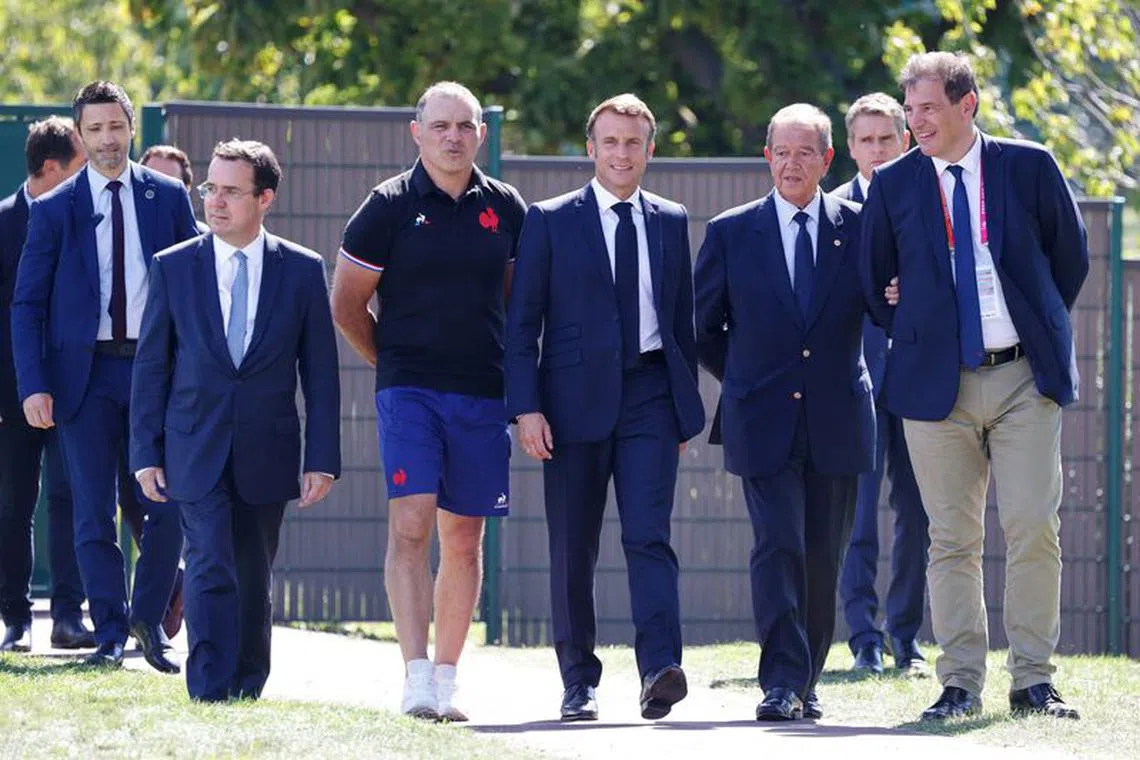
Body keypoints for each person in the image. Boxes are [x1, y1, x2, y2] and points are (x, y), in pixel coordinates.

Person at [860, 51, 1088, 721]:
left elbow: (1067, 261)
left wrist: (1034, 323)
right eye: (910, 109)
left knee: (1031, 528)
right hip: (936, 386)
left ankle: (1034, 682)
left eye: (928, 107)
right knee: (951, 539)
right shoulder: (894, 183)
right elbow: (876, 284)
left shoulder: (1029, 165)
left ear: (969, 105)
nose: (916, 120)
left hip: (1023, 376)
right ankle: (959, 683)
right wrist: (912, 310)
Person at [506, 93, 705, 722]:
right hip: (568, 406)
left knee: (650, 536)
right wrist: (526, 409)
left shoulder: (671, 219)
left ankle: (659, 670)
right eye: (610, 142)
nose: (622, 153)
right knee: (574, 544)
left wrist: (680, 405)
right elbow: (522, 325)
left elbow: (682, 322)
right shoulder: (550, 219)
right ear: (591, 149)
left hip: (650, 397)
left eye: (634, 142)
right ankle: (578, 681)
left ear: (651, 149)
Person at [331, 81, 525, 721]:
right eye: (440, 125)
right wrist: (389, 363)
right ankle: (414, 676)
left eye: (464, 126)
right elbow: (346, 303)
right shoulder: (385, 206)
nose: (452, 136)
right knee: (411, 524)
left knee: (463, 540)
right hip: (408, 390)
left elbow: (513, 298)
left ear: (481, 135)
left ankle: (446, 678)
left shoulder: (508, 207)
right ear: (416, 131)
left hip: (482, 393)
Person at [131, 139, 340, 701]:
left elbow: (320, 374)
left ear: (264, 198)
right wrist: (145, 453)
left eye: (230, 191)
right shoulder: (174, 267)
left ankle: (248, 682)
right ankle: (208, 686)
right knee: (208, 564)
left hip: (267, 448)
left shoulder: (300, 271)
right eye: (210, 189)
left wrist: (322, 458)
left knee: (252, 569)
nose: (215, 202)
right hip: (192, 445)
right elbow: (152, 365)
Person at [695, 103, 873, 721]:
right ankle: (779, 682)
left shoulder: (860, 228)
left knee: (823, 553)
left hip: (838, 416)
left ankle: (808, 679)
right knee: (777, 546)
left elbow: (886, 309)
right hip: (759, 416)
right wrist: (744, 377)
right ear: (766, 157)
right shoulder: (730, 231)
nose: (792, 163)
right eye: (781, 151)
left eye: (806, 152)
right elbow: (703, 327)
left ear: (828, 160)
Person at [11, 80, 197, 670]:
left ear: (131, 128)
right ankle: (110, 631)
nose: (108, 139)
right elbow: (27, 304)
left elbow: (193, 287)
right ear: (81, 135)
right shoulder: (53, 209)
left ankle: (148, 623)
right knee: (92, 510)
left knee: (167, 505)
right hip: (82, 379)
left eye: (116, 127)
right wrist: (32, 384)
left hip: (155, 373)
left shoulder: (167, 197)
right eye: (94, 129)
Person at [831, 93, 930, 677]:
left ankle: (906, 637)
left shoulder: (926, 201)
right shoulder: (833, 210)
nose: (876, 150)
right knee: (858, 514)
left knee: (916, 514)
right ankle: (863, 636)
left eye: (886, 139)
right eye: (865, 141)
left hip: (920, 380)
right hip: (855, 382)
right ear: (850, 147)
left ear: (905, 140)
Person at [0, 116, 94, 652]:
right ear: (53, 168)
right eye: (79, 167)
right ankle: (14, 618)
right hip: (10, 396)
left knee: (72, 499)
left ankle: (68, 616)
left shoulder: (86, 222)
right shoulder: (5, 222)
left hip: (73, 390)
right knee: (13, 505)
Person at [141, 144, 209, 235]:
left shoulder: (201, 239)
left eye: (169, 184)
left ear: (186, 189)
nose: (159, 190)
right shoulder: (123, 231)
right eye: (152, 181)